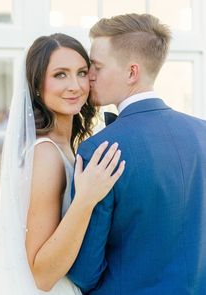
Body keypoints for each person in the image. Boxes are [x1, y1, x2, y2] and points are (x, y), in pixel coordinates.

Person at [0, 33, 125, 295]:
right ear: (36, 85)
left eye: (81, 73)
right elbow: (42, 275)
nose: (75, 86)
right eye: (60, 75)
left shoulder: (64, 145)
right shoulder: (46, 155)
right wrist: (86, 199)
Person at [68, 13, 206, 294]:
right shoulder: (203, 132)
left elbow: (84, 273)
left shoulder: (99, 150)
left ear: (132, 72)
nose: (88, 76)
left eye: (96, 66)